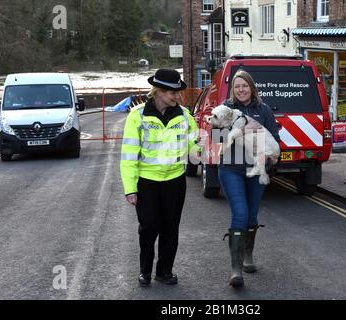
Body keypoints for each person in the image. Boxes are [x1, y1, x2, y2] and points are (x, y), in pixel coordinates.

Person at [120, 69, 200, 287]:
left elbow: (194, 145)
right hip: (147, 182)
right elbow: (128, 156)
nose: (177, 97)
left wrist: (202, 150)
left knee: (170, 228)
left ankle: (164, 271)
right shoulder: (137, 116)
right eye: (173, 93)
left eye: (178, 93)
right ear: (158, 92)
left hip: (175, 181)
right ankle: (144, 270)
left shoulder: (184, 115)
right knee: (148, 226)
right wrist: (130, 188)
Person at [218, 70, 280, 288]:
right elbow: (218, 139)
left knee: (252, 216)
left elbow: (275, 137)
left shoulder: (263, 110)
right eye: (237, 86)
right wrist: (244, 130)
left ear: (252, 87)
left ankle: (247, 256)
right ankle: (236, 269)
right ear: (232, 89)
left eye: (244, 86)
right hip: (231, 169)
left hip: (256, 169)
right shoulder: (225, 110)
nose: (241, 90)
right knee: (240, 214)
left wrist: (273, 160)